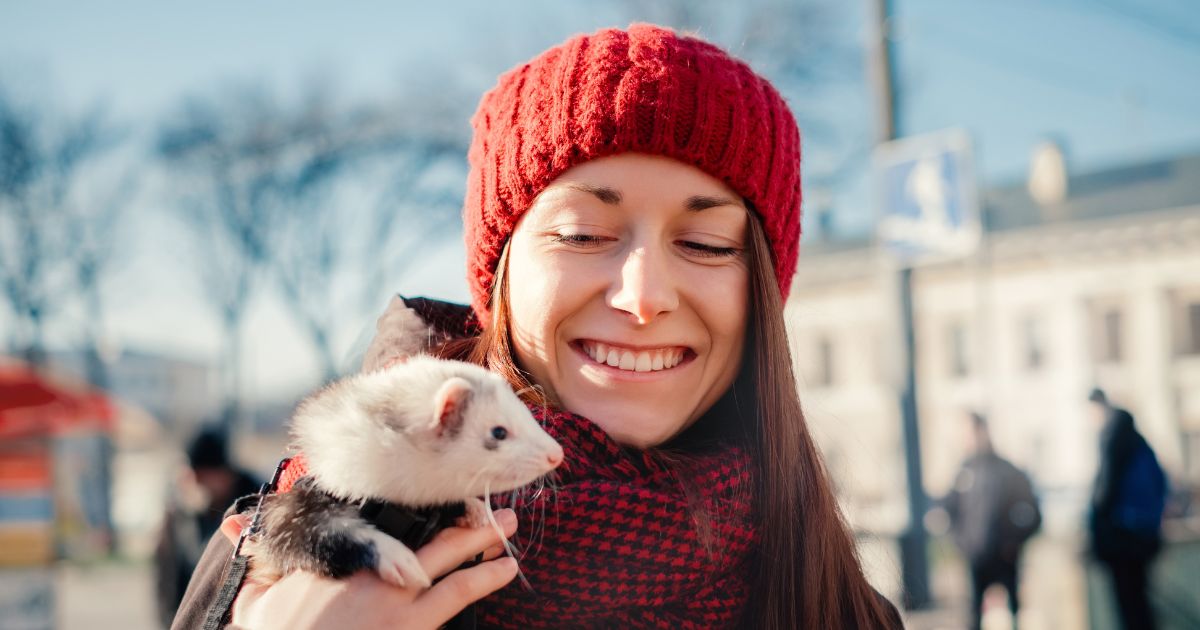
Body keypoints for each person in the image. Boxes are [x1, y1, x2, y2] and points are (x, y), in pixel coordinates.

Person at [171, 24, 903, 629]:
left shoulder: (834, 604)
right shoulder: (289, 559)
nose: (644, 297)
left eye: (708, 245)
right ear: (500, 276)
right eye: (584, 234)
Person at [943, 412, 1041, 630]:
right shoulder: (964, 471)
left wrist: (1014, 541)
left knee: (1013, 613)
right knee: (973, 615)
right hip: (975, 557)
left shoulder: (1007, 471)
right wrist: (962, 542)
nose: (967, 438)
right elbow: (946, 511)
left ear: (984, 431)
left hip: (1005, 558)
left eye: (971, 432)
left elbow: (1034, 513)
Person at [155, 427, 260, 628]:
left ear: (224, 473)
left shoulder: (258, 509)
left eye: (202, 476)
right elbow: (168, 584)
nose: (195, 483)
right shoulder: (178, 512)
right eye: (190, 475)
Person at [1086, 389, 1167, 630]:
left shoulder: (1113, 438)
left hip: (1122, 539)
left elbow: (1104, 492)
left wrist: (1098, 532)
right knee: (1139, 604)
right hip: (1142, 536)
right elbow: (1161, 483)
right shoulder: (1136, 439)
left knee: (1130, 606)